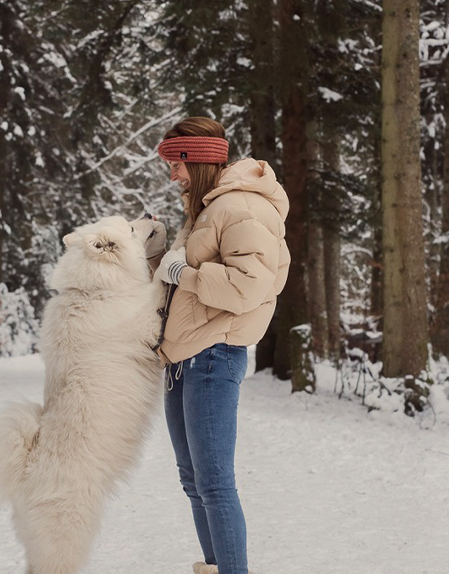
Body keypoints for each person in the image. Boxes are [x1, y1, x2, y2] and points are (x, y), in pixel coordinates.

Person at [153, 117, 290, 574]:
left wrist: (183, 273)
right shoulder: (207, 211)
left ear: (198, 160)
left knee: (214, 482)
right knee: (194, 481)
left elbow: (248, 286)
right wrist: (157, 257)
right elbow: (184, 283)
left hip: (213, 355)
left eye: (177, 163)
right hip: (184, 358)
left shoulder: (242, 207)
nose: (173, 174)